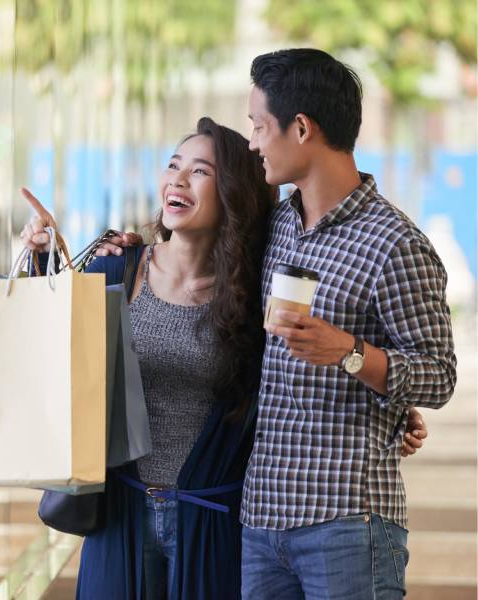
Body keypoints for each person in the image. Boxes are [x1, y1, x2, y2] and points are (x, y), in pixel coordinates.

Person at [23, 117, 274, 598]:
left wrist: (389, 405)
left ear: (234, 193)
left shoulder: (251, 296)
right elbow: (53, 352)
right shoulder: (118, 267)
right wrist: (43, 259)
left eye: (200, 172)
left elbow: (293, 377)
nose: (177, 180)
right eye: (173, 165)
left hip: (212, 523)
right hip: (120, 513)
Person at [238, 48, 456, 599]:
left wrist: (350, 352)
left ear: (302, 128)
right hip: (263, 518)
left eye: (259, 126)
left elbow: (439, 376)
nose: (253, 142)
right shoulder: (276, 223)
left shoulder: (396, 244)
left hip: (348, 522)